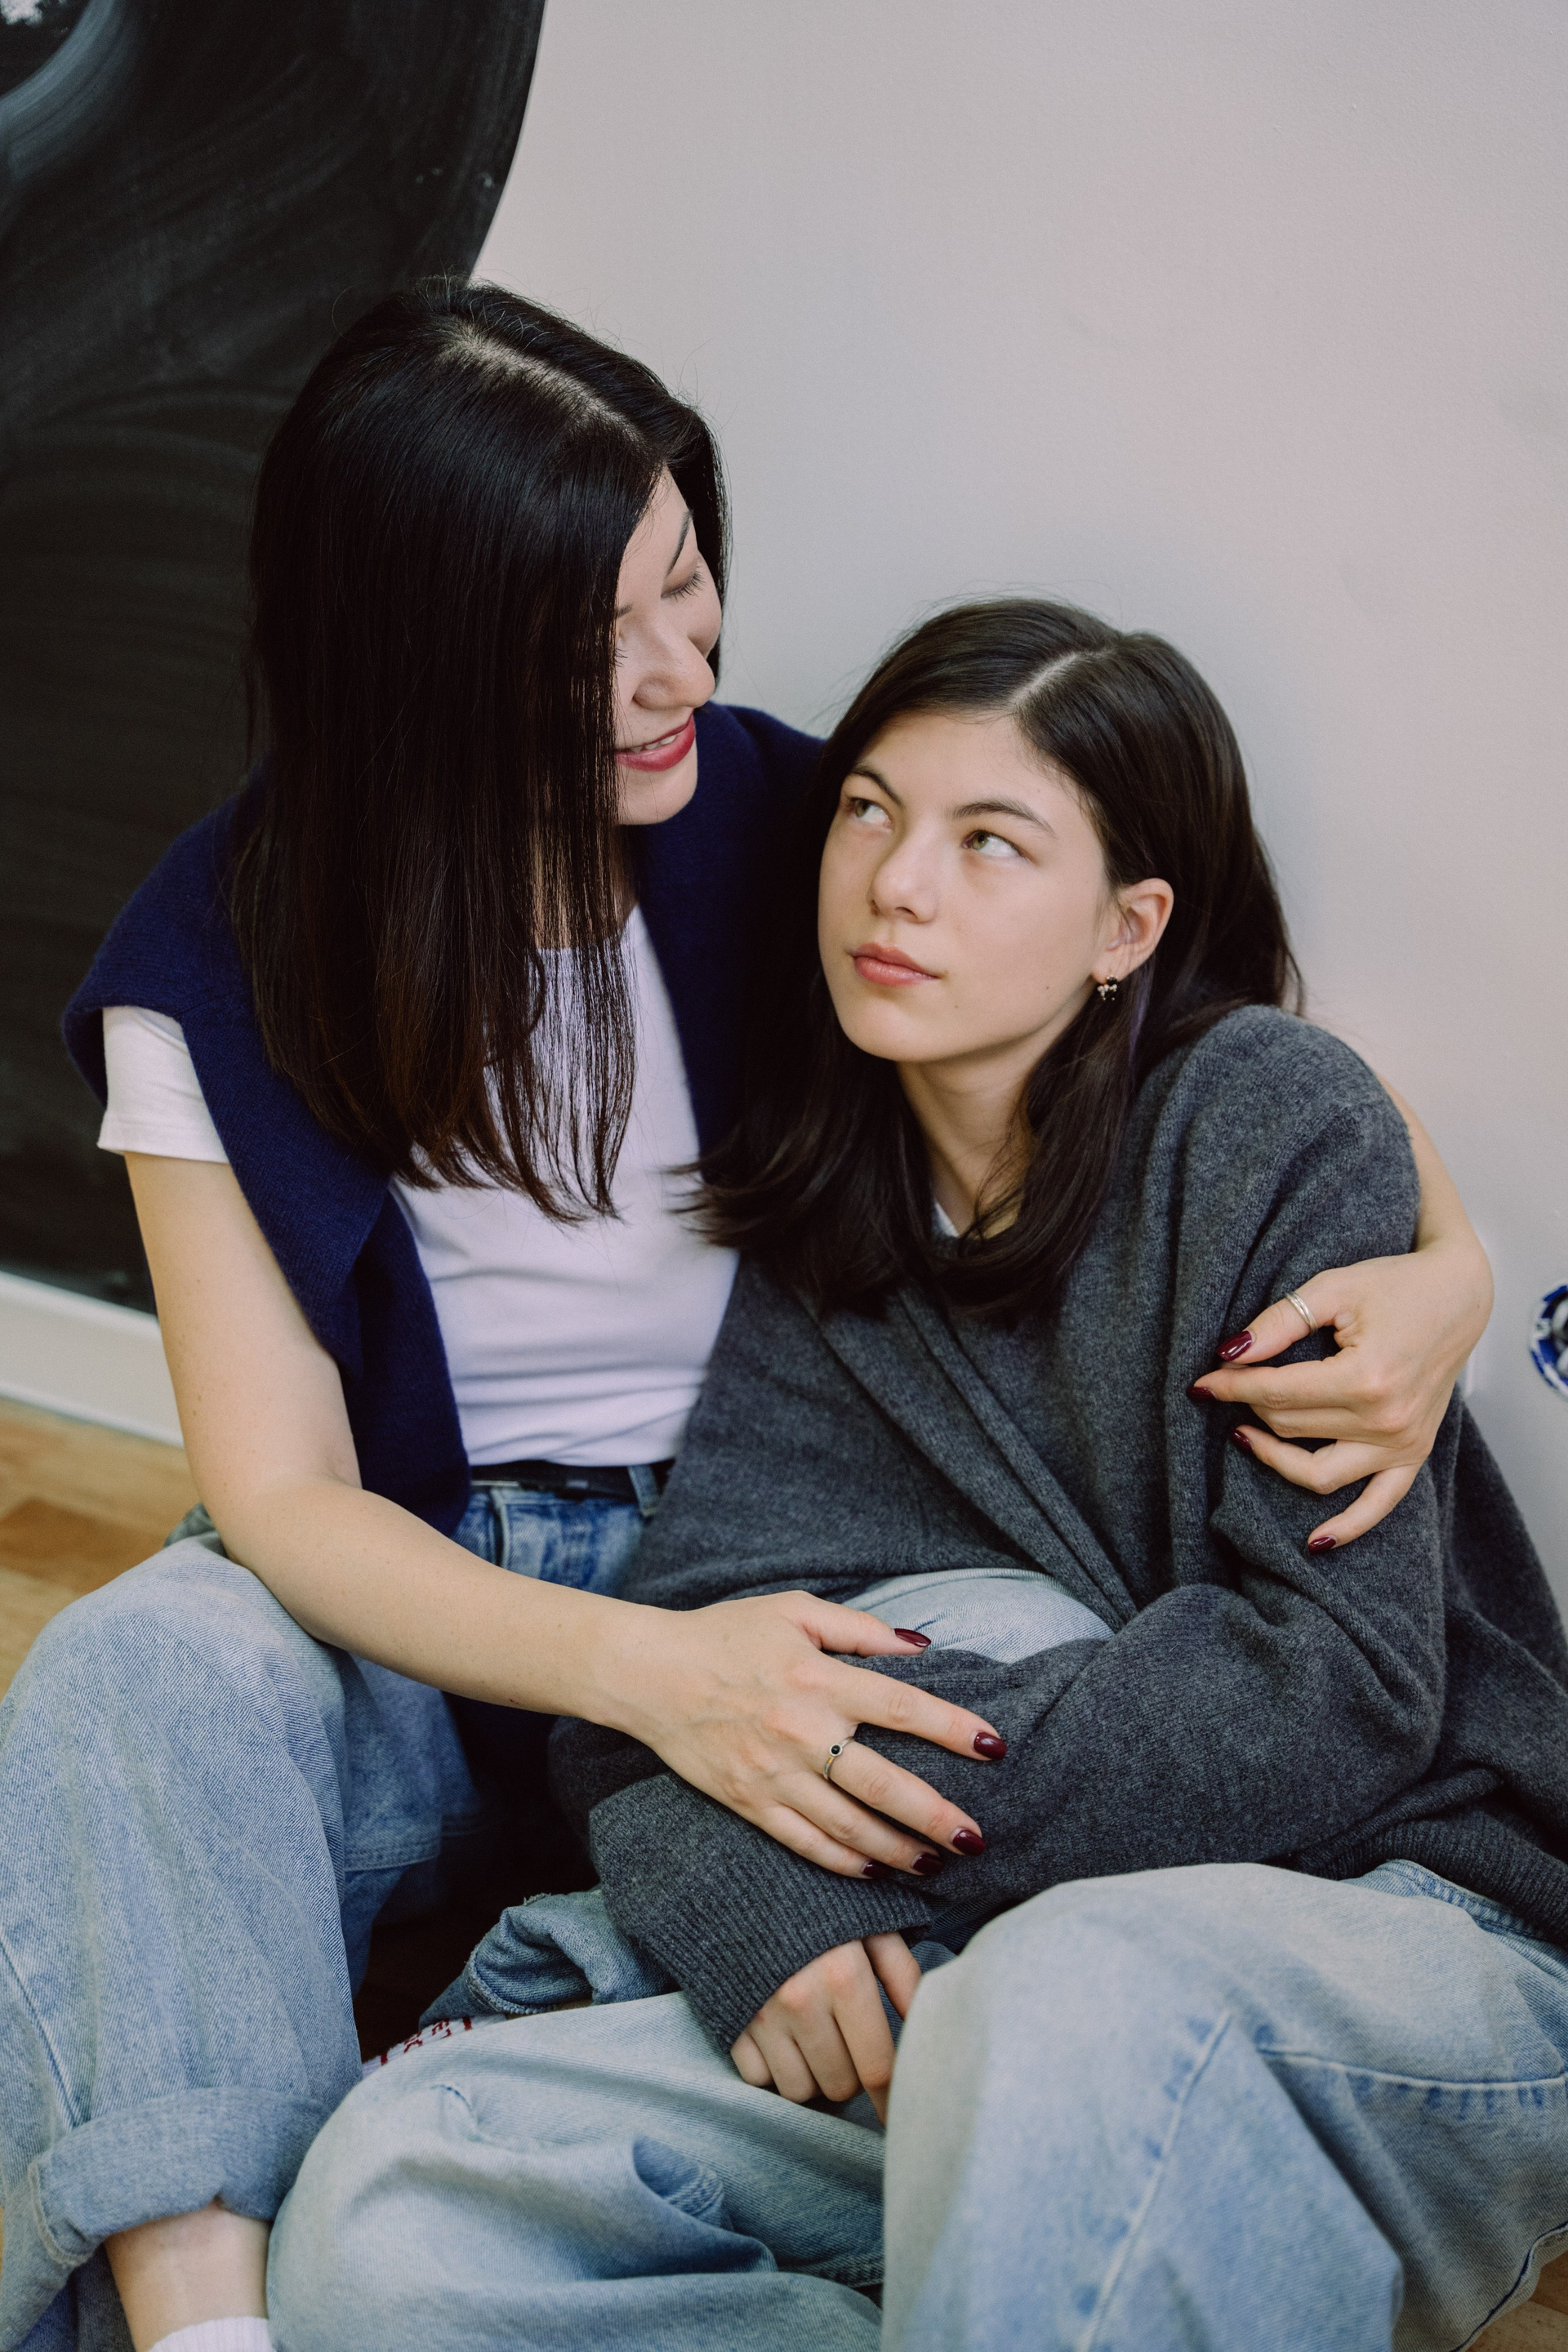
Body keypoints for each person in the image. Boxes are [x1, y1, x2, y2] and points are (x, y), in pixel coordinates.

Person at [0, 280, 1482, 2352]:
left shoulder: (797, 823)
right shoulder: (207, 960)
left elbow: (1195, 1018)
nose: (677, 671)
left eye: (687, 582)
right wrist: (648, 1673)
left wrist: (1450, 1269)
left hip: (793, 1547)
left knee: (1005, 1650)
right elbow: (284, 1495)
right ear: (416, 655)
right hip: (437, 1594)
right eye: (589, 642)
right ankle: (207, 2324)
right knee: (131, 1664)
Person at [268, 601, 1568, 2352]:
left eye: (990, 842)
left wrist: (821, 1802)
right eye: (870, 811)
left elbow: (1333, 1692)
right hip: (990, 1973)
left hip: (1403, 1934)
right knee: (403, 2196)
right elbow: (659, 1699)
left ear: (1128, 928)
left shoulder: (1267, 1119)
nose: (895, 884)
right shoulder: (839, 1223)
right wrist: (758, 1888)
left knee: (1063, 1972)